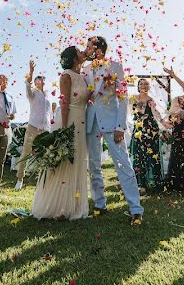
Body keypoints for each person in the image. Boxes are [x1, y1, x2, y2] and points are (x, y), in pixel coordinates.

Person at [82, 36, 144, 224]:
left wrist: (120, 126)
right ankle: (100, 203)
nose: (87, 49)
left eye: (89, 46)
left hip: (112, 123)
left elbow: (123, 97)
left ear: (98, 48)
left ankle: (135, 209)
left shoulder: (115, 66)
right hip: (91, 122)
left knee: (123, 164)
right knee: (94, 165)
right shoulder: (85, 71)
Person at [32, 46, 91, 220]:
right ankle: (58, 206)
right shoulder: (66, 75)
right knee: (65, 160)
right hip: (69, 120)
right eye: (79, 52)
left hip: (81, 120)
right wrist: (64, 130)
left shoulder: (83, 76)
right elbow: (64, 104)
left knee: (77, 160)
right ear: (73, 58)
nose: (83, 53)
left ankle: (74, 205)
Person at [16, 60, 51, 190]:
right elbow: (27, 84)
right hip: (33, 126)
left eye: (42, 79)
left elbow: (49, 114)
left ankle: (41, 178)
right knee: (26, 152)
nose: (41, 80)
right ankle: (20, 179)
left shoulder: (47, 97)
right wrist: (31, 71)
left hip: (45, 129)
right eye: (38, 79)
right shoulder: (33, 94)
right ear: (35, 82)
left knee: (44, 154)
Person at [129, 78, 168, 192]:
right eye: (141, 84)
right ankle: (140, 184)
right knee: (139, 155)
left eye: (146, 84)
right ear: (138, 86)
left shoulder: (151, 99)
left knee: (151, 155)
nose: (144, 86)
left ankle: (154, 183)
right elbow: (134, 112)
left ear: (149, 87)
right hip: (138, 129)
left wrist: (163, 122)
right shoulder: (133, 98)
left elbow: (155, 113)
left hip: (151, 129)